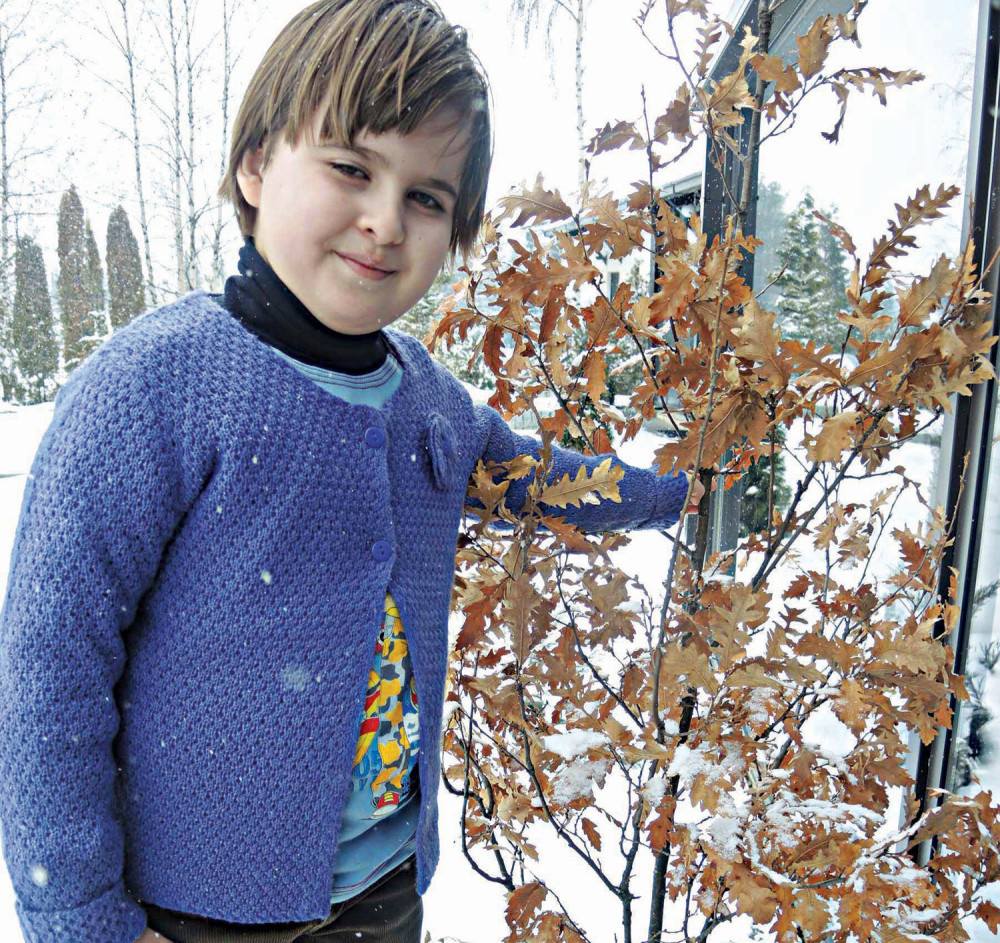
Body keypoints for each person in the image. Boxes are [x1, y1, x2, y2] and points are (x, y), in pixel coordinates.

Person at [0, 1, 703, 941]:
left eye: (426, 197)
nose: (384, 222)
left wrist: (676, 490)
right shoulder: (152, 387)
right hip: (192, 911)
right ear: (256, 166)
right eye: (349, 168)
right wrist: (81, 917)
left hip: (381, 894)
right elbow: (49, 666)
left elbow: (538, 476)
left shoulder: (429, 405)